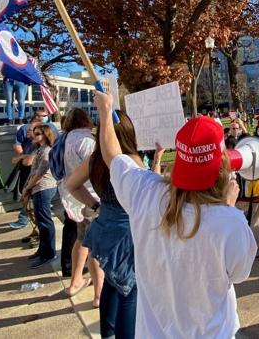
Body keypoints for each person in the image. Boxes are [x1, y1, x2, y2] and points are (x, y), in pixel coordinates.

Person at [95, 91, 256, 338]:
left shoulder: (144, 192)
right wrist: (229, 207)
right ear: (221, 165)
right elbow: (239, 274)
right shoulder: (230, 222)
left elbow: (113, 156)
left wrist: (105, 112)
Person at [67, 110, 158, 339]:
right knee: (130, 290)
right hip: (126, 230)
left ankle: (107, 333)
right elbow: (149, 191)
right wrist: (156, 162)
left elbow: (72, 185)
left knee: (111, 282)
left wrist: (96, 206)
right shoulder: (130, 161)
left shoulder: (95, 159)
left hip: (104, 223)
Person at [59, 108, 104, 303]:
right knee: (95, 247)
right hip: (92, 197)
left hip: (77, 196)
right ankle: (99, 294)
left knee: (82, 240)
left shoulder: (66, 139)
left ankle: (75, 281)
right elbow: (95, 168)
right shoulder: (86, 141)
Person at [22, 123, 58, 268]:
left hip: (44, 188)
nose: (34, 136)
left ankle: (48, 252)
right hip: (37, 188)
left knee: (45, 221)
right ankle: (42, 249)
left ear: (46, 135)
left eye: (38, 134)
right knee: (40, 221)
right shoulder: (40, 150)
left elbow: (40, 174)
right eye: (34, 133)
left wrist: (28, 188)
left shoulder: (46, 151)